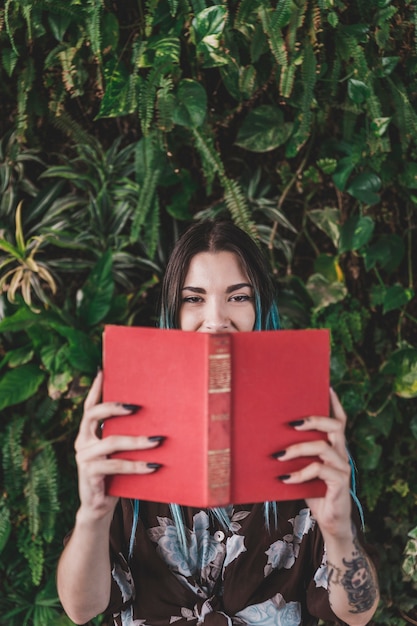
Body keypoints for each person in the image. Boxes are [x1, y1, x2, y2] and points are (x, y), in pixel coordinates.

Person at [57, 219, 379, 626]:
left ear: (260, 308)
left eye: (238, 297)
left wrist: (338, 531)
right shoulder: (128, 432)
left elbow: (358, 613)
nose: (216, 320)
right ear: (172, 313)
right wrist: (93, 514)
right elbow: (81, 609)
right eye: (194, 298)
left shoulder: (309, 436)